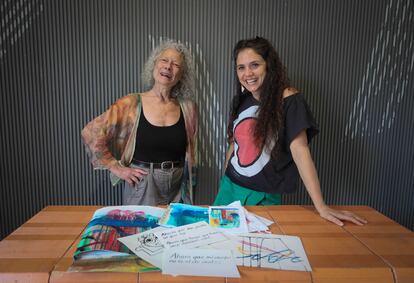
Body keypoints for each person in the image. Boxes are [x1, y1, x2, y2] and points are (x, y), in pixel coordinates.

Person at [214, 37, 367, 226]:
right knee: (221, 247)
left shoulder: (289, 100)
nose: (248, 73)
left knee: (256, 250)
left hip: (263, 196)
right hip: (229, 188)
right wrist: (224, 177)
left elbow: (300, 152)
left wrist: (321, 206)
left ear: (268, 66)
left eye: (255, 65)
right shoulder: (242, 100)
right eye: (241, 67)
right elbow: (234, 143)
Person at [82, 40, 198, 206]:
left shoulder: (189, 109)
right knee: (139, 231)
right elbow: (91, 133)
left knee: (173, 231)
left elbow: (192, 157)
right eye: (164, 60)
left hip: (178, 187)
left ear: (182, 75)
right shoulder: (131, 103)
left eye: (176, 64)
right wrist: (116, 168)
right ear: (154, 65)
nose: (168, 67)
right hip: (142, 183)